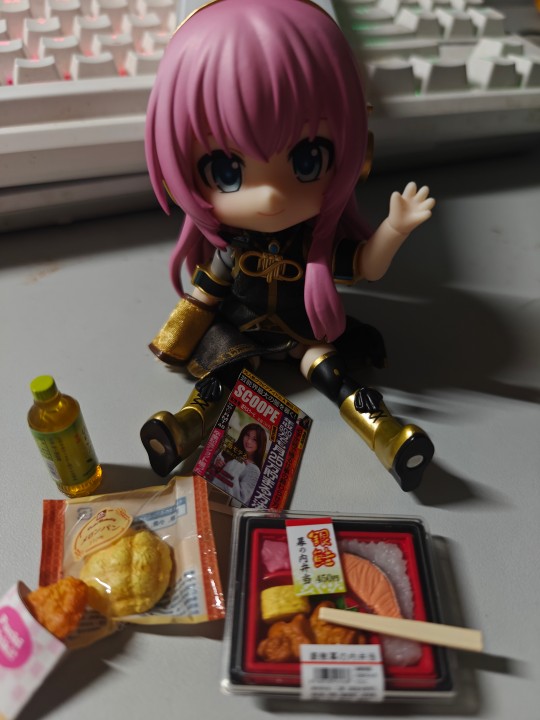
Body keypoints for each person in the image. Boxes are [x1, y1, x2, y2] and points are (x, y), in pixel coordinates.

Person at [140, 0, 436, 491]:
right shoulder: (232, 249)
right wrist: (176, 339)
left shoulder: (313, 245)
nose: (272, 197)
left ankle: (387, 434)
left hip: (303, 335)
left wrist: (394, 230)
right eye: (226, 171)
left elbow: (366, 265)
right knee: (223, 376)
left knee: (334, 375)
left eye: (307, 160)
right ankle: (184, 427)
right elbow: (203, 296)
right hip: (243, 335)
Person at [211, 423, 267, 505]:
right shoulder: (231, 451)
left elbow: (240, 499)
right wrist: (217, 466)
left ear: (260, 444)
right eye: (247, 435)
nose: (248, 441)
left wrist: (236, 466)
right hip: (209, 491)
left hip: (222, 505)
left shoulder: (254, 470)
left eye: (254, 440)